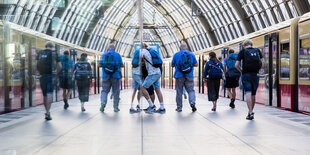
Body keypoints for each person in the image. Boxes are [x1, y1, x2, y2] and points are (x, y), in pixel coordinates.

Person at [235, 40, 263, 120]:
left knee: (248, 93)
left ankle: (250, 112)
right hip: (255, 75)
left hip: (246, 75)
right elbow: (261, 63)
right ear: (251, 44)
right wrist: (257, 70)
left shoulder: (243, 51)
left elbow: (236, 65)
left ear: (244, 45)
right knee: (253, 94)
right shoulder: (257, 50)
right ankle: (251, 111)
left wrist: (241, 71)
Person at [36, 42, 61, 120]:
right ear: (52, 47)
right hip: (51, 75)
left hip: (42, 76)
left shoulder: (40, 52)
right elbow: (60, 66)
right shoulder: (54, 53)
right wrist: (56, 73)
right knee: (49, 94)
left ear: (45, 46)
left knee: (44, 95)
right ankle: (47, 112)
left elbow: (36, 65)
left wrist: (39, 73)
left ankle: (46, 112)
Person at [171, 43, 198, 112]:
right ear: (186, 48)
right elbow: (196, 64)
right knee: (191, 90)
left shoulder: (176, 54)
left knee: (179, 91)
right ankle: (192, 102)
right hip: (189, 75)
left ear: (180, 48)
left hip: (179, 75)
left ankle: (179, 107)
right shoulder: (191, 54)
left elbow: (172, 64)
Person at [140, 43, 165, 113]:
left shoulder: (144, 51)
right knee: (157, 90)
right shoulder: (152, 50)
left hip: (152, 74)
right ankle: (162, 107)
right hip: (158, 72)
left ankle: (151, 106)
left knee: (142, 88)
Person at [99, 44, 123, 112]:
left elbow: (99, 64)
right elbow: (121, 65)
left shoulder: (103, 55)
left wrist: (106, 66)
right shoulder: (117, 55)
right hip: (116, 76)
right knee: (116, 92)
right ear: (114, 48)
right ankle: (115, 107)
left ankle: (103, 102)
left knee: (104, 91)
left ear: (108, 48)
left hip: (105, 76)